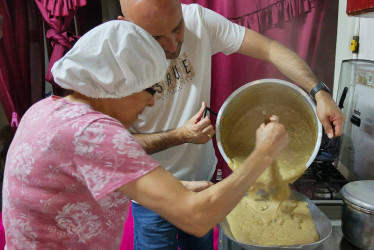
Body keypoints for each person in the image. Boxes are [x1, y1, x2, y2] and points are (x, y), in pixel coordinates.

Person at [1, 20, 289, 249]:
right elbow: (197, 218)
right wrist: (262, 154)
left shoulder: (45, 109)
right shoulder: (94, 132)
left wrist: (178, 189)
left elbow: (80, 181)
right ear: (116, 85)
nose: (153, 101)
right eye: (150, 89)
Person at [117, 0, 346, 249]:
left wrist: (319, 92)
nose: (173, 46)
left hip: (204, 185)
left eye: (177, 27)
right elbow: (113, 147)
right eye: (155, 38)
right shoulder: (113, 64)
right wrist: (179, 135)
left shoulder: (198, 20)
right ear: (126, 26)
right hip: (153, 195)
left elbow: (269, 48)